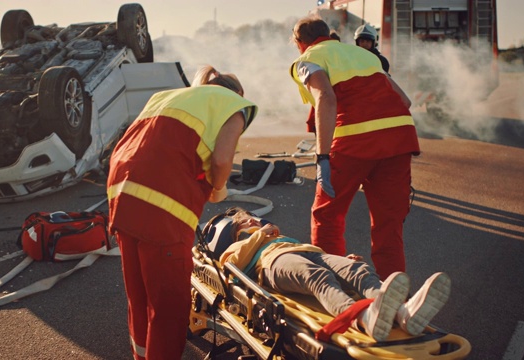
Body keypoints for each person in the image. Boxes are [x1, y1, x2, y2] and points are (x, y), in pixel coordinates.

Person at [106, 65, 258, 360]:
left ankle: (142, 355)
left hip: (122, 193)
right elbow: (222, 159)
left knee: (139, 298)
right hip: (162, 208)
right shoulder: (233, 105)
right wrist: (217, 189)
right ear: (237, 93)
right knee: (169, 307)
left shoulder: (166, 97)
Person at [289, 16, 420, 280]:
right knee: (388, 225)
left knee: (327, 217)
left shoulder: (306, 60)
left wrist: (322, 156)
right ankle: (393, 294)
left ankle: (333, 285)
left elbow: (325, 98)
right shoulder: (365, 56)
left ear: (299, 43)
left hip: (354, 141)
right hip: (399, 140)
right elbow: (404, 100)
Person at [208, 208, 451, 342]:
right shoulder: (235, 247)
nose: (253, 220)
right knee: (316, 276)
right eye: (245, 222)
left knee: (357, 269)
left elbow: (316, 255)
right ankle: (364, 318)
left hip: (307, 252)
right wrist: (259, 235)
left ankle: (403, 313)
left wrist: (344, 262)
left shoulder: (279, 236)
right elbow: (233, 269)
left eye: (253, 217)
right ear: (235, 232)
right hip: (272, 263)